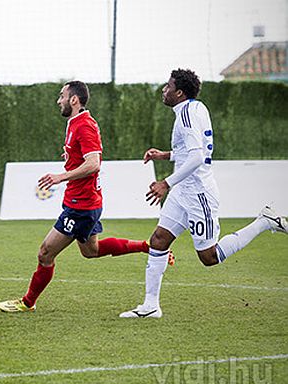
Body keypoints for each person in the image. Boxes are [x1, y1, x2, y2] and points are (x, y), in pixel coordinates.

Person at [119, 68, 287, 318]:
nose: (164, 90)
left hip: (198, 194)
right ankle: (150, 305)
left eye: (168, 86)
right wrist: (165, 155)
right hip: (183, 191)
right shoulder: (196, 108)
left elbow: (197, 157)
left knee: (209, 257)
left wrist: (166, 183)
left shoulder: (186, 115)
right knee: (159, 240)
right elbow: (194, 150)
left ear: (179, 92)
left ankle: (264, 222)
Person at [0, 80, 170, 313]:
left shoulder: (84, 125)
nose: (58, 101)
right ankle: (146, 246)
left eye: (62, 96)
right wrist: (70, 156)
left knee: (45, 252)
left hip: (81, 205)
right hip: (86, 202)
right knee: (91, 251)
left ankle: (27, 302)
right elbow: (85, 156)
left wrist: (60, 177)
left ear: (74, 100)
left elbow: (93, 163)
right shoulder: (76, 122)